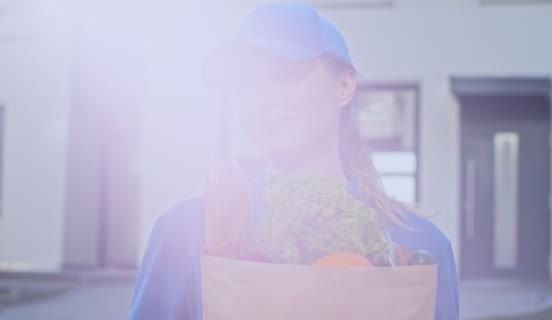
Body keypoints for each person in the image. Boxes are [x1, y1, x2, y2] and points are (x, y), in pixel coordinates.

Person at [129, 3, 459, 319]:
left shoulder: (422, 246)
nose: (263, 98)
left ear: (344, 86)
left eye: (287, 73)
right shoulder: (184, 232)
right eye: (244, 83)